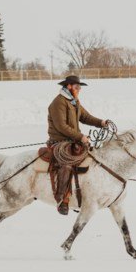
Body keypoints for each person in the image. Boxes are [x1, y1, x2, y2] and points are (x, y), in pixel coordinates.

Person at [47, 75, 110, 215]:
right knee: (67, 164)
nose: (79, 89)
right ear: (68, 86)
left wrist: (101, 123)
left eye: (79, 87)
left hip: (72, 140)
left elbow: (85, 117)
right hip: (59, 142)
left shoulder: (74, 101)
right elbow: (61, 126)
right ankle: (62, 199)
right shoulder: (58, 103)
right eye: (77, 87)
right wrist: (80, 136)